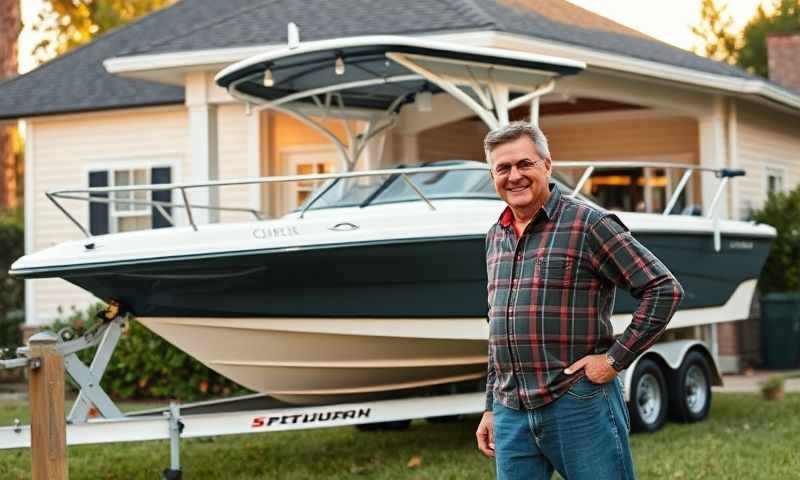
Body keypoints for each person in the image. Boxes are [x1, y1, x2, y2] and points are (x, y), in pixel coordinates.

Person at [475, 121, 684, 480]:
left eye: (524, 164)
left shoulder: (589, 224)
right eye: (503, 168)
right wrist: (491, 407)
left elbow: (663, 289)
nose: (514, 176)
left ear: (546, 165)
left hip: (578, 402)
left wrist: (613, 360)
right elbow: (500, 325)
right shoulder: (496, 235)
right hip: (511, 411)